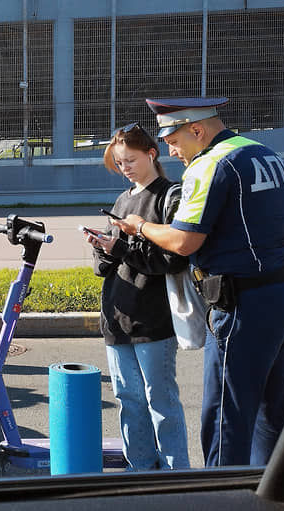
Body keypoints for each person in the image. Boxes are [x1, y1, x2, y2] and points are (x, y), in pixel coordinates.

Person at [113, 97, 284, 467]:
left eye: (173, 141)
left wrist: (139, 226)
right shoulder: (263, 153)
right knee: (271, 407)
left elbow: (184, 242)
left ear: (196, 130)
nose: (171, 152)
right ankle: (270, 493)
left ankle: (219, 504)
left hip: (245, 302)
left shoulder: (210, 164)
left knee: (225, 417)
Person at [82, 122, 190, 470]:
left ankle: (175, 473)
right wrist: (103, 247)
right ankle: (140, 469)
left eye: (129, 160)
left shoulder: (168, 196)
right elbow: (107, 266)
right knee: (128, 398)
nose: (124, 168)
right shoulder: (123, 199)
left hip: (152, 316)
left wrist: (123, 247)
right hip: (117, 314)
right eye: (119, 163)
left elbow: (172, 260)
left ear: (151, 154)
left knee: (160, 400)